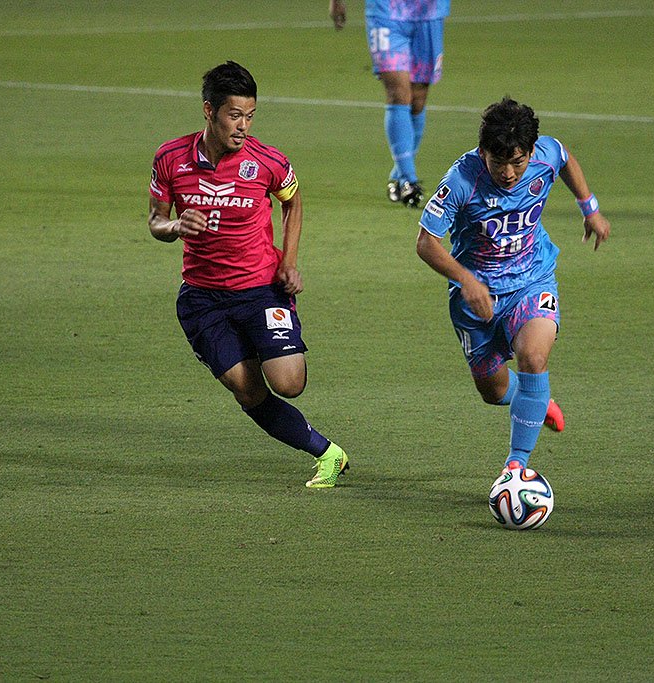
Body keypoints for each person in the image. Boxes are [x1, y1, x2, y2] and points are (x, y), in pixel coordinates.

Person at [148, 61, 349, 488]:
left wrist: (288, 261)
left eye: (250, 116)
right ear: (209, 110)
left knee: (289, 383)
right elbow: (155, 221)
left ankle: (260, 340)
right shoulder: (170, 158)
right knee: (249, 390)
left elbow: (293, 201)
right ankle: (327, 453)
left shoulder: (267, 161)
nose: (243, 126)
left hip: (261, 289)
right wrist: (175, 225)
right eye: (234, 115)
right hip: (203, 298)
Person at [415, 97, 611, 473]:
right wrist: (466, 280)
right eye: (498, 162)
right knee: (493, 391)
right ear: (483, 152)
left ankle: (515, 468)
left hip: (532, 279)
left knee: (534, 357)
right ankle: (536, 399)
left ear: (531, 152)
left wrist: (590, 208)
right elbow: (426, 243)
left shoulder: (545, 155)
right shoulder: (460, 180)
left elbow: (564, 156)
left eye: (517, 162)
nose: (508, 173)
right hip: (477, 297)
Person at [329, 0, 449, 208]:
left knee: (418, 98)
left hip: (429, 12)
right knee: (398, 93)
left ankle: (398, 174)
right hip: (385, 12)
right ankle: (409, 181)